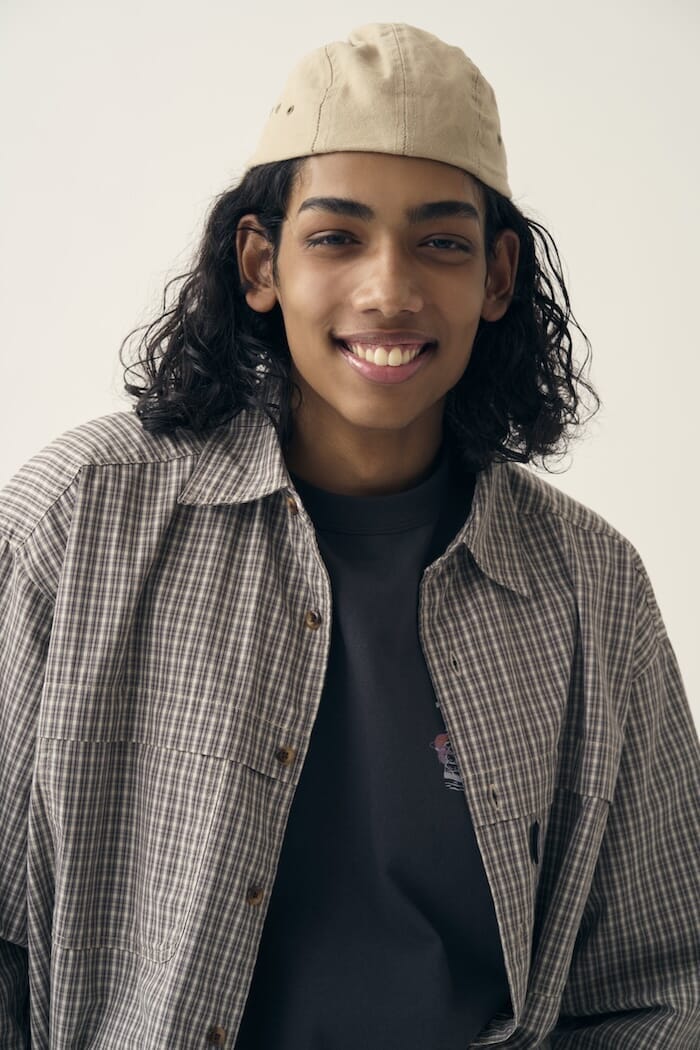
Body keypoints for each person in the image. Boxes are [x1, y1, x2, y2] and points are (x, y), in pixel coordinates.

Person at [0, 21, 698, 1050]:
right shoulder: (78, 523)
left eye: (441, 242)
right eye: (336, 237)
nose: (389, 290)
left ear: (496, 277)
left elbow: (659, 984)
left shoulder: (594, 590)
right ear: (261, 262)